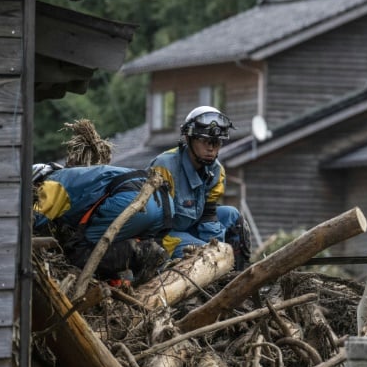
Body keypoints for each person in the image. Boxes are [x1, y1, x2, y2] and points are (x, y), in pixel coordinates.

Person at [32, 162, 173, 285]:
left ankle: (144, 252)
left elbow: (32, 220)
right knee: (113, 248)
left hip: (132, 198)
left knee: (81, 253)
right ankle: (149, 265)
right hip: (163, 201)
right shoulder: (75, 176)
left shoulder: (50, 183)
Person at [149, 106, 252, 270]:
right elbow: (153, 227)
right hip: (164, 236)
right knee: (207, 258)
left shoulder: (217, 171)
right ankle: (218, 272)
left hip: (193, 225)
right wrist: (210, 253)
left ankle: (237, 274)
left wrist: (216, 247)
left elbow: (208, 218)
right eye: (205, 141)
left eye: (216, 142)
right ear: (189, 139)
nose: (211, 148)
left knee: (233, 216)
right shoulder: (165, 168)